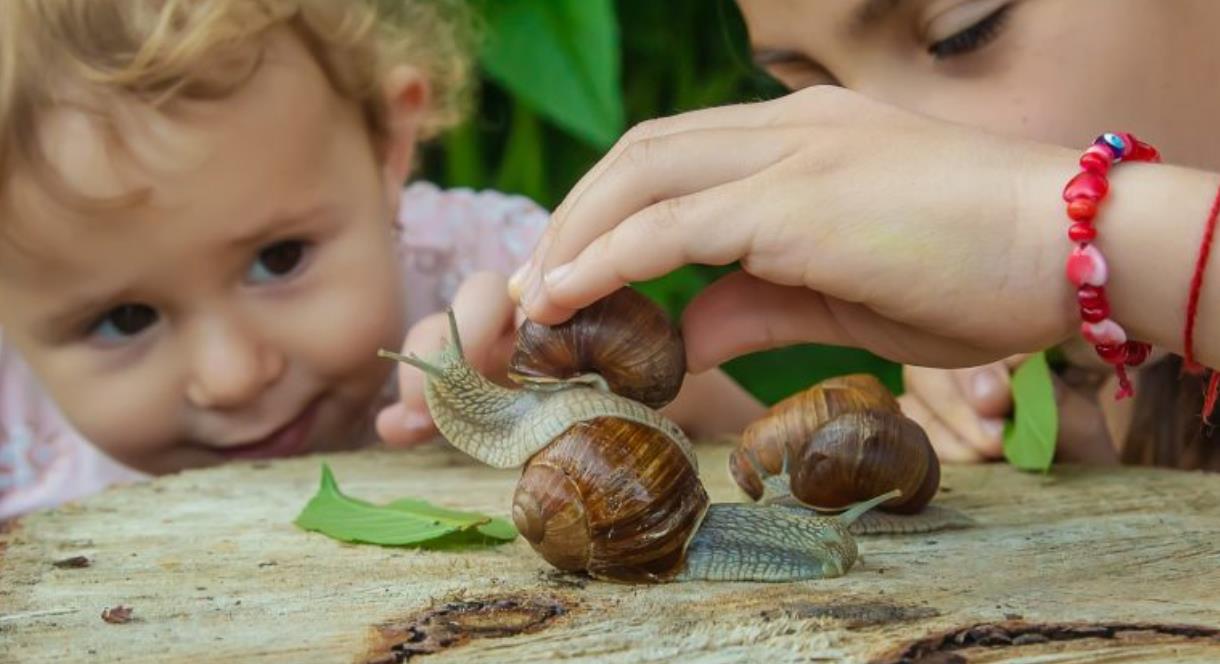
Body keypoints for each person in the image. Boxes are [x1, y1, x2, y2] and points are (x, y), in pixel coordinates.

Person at [0, 0, 766, 520]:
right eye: (123, 319)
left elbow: (755, 453)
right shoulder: (15, 438)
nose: (233, 375)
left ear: (386, 148)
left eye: (279, 259)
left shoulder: (495, 281)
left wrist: (576, 402)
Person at [507, 0, 1220, 471]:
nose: (883, 146)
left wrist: (1072, 232)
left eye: (962, 28)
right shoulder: (1116, 387)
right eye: (806, 82)